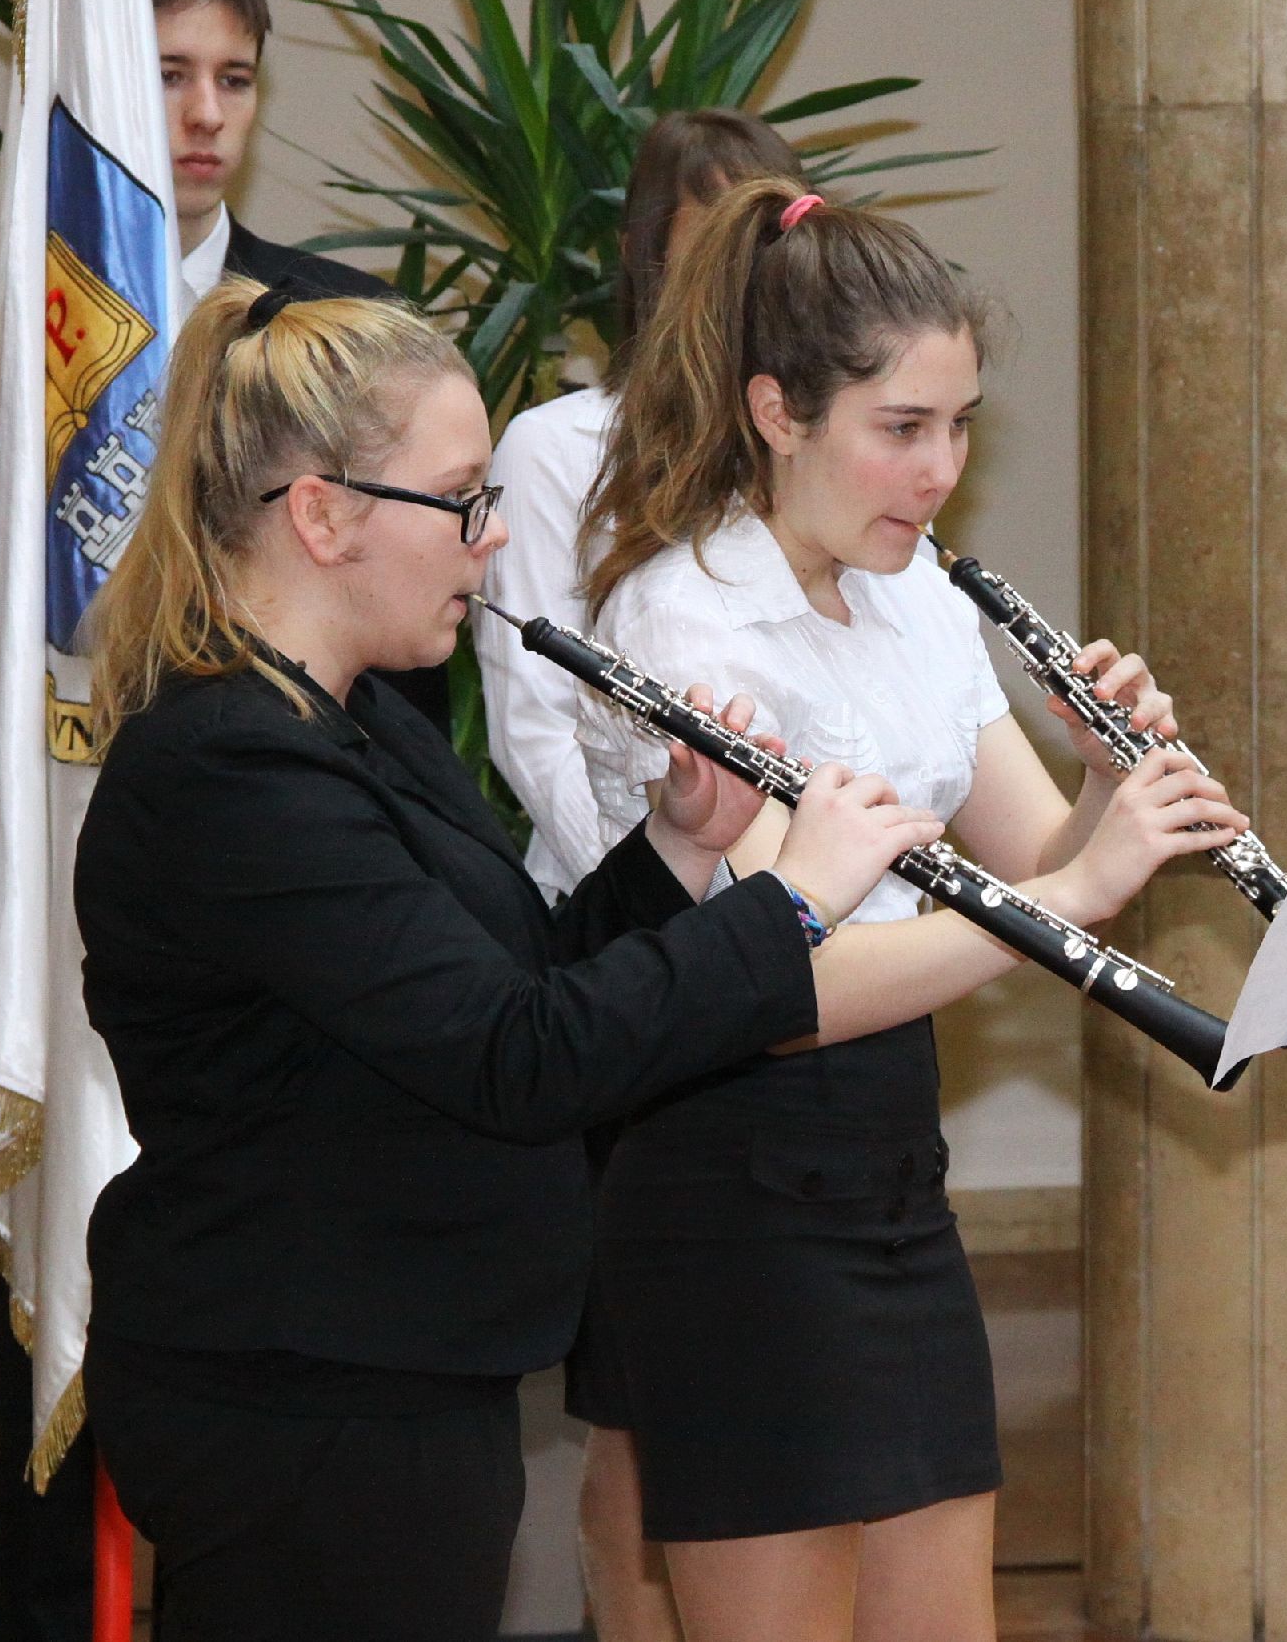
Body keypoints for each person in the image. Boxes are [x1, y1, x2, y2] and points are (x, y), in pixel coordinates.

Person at [72, 277, 940, 1642]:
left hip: (396, 1367)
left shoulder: (366, 725)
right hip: (301, 1394)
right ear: (323, 515)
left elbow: (521, 981)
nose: (494, 539)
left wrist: (678, 847)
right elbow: (517, 1060)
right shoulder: (231, 766)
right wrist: (791, 906)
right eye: (462, 500)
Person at [575, 178, 1247, 1642]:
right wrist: (1070, 889)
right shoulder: (684, 620)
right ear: (777, 412)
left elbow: (1035, 858)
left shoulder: (916, 591)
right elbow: (782, 992)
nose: (940, 470)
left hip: (890, 1172)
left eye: (959, 426)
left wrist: (1106, 784)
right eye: (901, 428)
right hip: (734, 1182)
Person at [0, 0, 404, 1642]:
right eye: (166, 75)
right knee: (57, 1337)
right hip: (59, 901)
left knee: (270, 1346)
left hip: (277, 912)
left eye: (234, 78)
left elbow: (405, 637)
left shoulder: (329, 330)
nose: (202, 115)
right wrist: (42, 697)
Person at [473, 107, 803, 1642]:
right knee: (641, 1395)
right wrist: (669, 886)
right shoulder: (560, 446)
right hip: (625, 947)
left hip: (781, 948)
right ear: (645, 263)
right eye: (701, 247)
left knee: (763, 1389)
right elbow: (537, 711)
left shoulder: (806, 449)